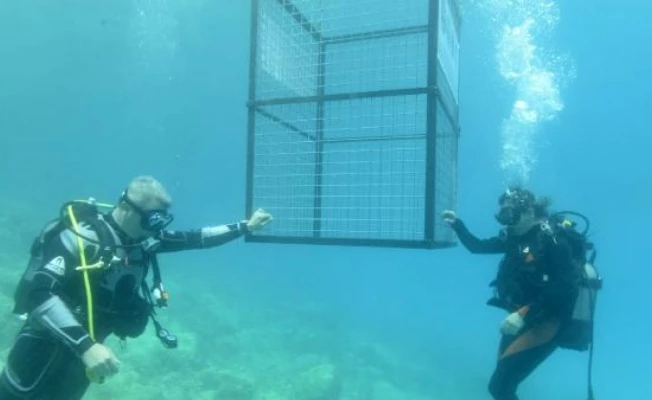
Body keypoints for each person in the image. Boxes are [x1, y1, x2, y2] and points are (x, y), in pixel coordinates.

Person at [0, 175, 273, 400]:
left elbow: (196, 238)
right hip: (39, 353)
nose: (155, 229)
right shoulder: (83, 238)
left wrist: (246, 226)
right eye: (151, 219)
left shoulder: (143, 241)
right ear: (128, 207)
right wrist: (86, 347)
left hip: (85, 362)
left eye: (161, 220)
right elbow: (38, 294)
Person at [442, 187, 593, 400]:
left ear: (529, 211)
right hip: (520, 318)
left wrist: (524, 314)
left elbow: (564, 285)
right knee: (501, 387)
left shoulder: (552, 239)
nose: (506, 220)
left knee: (500, 386)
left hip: (547, 320)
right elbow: (478, 247)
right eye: (502, 214)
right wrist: (457, 225)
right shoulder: (513, 239)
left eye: (510, 213)